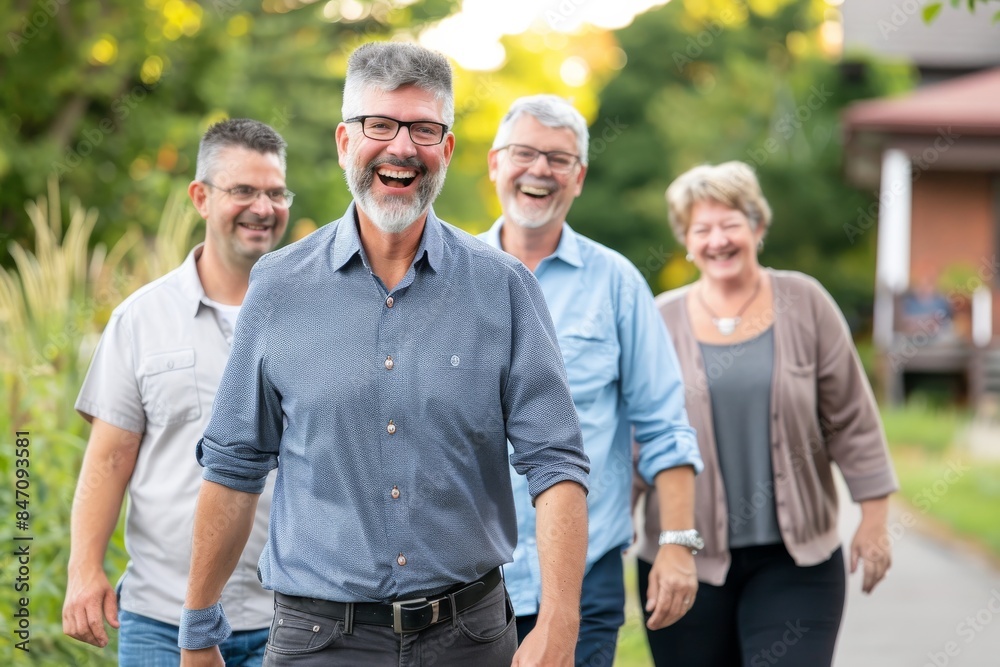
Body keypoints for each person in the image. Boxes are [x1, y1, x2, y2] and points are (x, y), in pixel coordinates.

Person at [177, 42, 591, 667]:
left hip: (471, 640)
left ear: (446, 150)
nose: (402, 148)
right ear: (346, 142)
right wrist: (198, 627)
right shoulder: (280, 287)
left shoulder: (505, 289)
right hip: (320, 643)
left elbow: (556, 463)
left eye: (424, 129)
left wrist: (558, 622)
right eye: (380, 125)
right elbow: (235, 467)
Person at [633, 160, 899, 666]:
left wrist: (875, 519)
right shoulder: (659, 319)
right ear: (687, 241)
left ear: (757, 227)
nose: (718, 240)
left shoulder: (805, 302)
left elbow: (852, 420)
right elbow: (636, 440)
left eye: (731, 223)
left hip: (796, 562)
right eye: (702, 228)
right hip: (682, 558)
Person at [480, 94, 703, 666]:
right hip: (468, 579)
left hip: (583, 575)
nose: (539, 171)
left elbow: (663, 425)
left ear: (578, 177)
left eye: (558, 159)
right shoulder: (448, 277)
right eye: (524, 153)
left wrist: (677, 545)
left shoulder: (618, 284)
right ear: (494, 163)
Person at [63, 118, 291, 665]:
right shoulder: (140, 319)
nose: (263, 207)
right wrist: (83, 568)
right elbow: (111, 457)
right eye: (242, 190)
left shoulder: (314, 319)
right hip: (160, 620)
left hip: (289, 619)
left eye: (275, 192)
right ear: (200, 197)